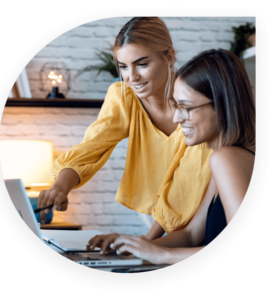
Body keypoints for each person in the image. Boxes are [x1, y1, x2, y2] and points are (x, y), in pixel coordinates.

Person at [38, 16, 212, 241]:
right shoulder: (124, 97)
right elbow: (93, 146)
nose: (132, 77)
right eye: (123, 67)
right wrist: (60, 187)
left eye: (142, 64)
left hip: (211, 218)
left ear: (169, 56)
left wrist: (145, 243)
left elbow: (191, 179)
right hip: (173, 230)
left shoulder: (199, 100)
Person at [105, 49, 256, 264]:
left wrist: (161, 255)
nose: (177, 117)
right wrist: (134, 247)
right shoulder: (228, 156)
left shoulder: (226, 158)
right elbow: (192, 234)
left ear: (221, 105)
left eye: (186, 107)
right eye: (176, 105)